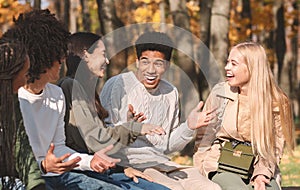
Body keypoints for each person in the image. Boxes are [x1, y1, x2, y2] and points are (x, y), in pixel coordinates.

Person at [3, 9, 125, 190]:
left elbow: (59, 148)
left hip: (60, 175)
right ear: (42, 57)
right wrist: (43, 166)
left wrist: (90, 161)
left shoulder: (56, 95)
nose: (62, 59)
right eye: (57, 54)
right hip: (25, 180)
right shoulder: (13, 100)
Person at [100, 31, 221, 190]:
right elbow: (102, 135)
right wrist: (130, 126)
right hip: (131, 164)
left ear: (167, 65)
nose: (150, 70)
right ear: (137, 62)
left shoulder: (170, 92)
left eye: (158, 63)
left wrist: (189, 127)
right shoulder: (117, 85)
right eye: (145, 62)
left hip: (163, 163)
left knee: (211, 188)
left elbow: (169, 146)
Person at [57, 32, 168, 190]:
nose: (107, 61)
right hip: (83, 170)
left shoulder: (86, 90)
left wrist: (123, 168)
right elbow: (96, 141)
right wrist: (137, 128)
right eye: (103, 54)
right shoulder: (70, 86)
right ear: (85, 55)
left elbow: (99, 139)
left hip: (103, 168)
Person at [193, 41, 295, 190]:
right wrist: (201, 169)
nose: (227, 67)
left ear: (252, 67)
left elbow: (274, 148)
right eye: (228, 62)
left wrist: (262, 175)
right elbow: (203, 138)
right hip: (220, 164)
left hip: (258, 165)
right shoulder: (220, 93)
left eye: (234, 64)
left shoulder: (277, 102)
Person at [0, 38, 46, 190]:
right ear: (11, 75)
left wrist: (36, 184)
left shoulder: (11, 102)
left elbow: (21, 145)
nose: (27, 79)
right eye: (25, 74)